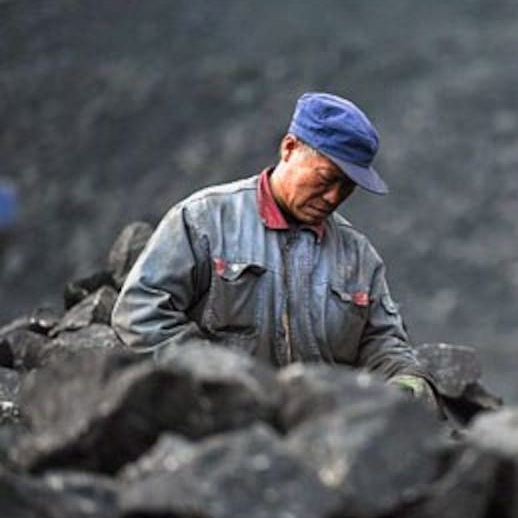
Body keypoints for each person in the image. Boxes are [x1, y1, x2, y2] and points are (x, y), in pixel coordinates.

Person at [111, 92, 435, 400]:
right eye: (325, 179)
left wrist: (405, 381)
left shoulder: (359, 258)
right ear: (289, 148)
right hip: (217, 426)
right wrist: (213, 375)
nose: (334, 197)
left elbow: (383, 343)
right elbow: (140, 312)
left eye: (347, 187)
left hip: (321, 434)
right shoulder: (204, 220)